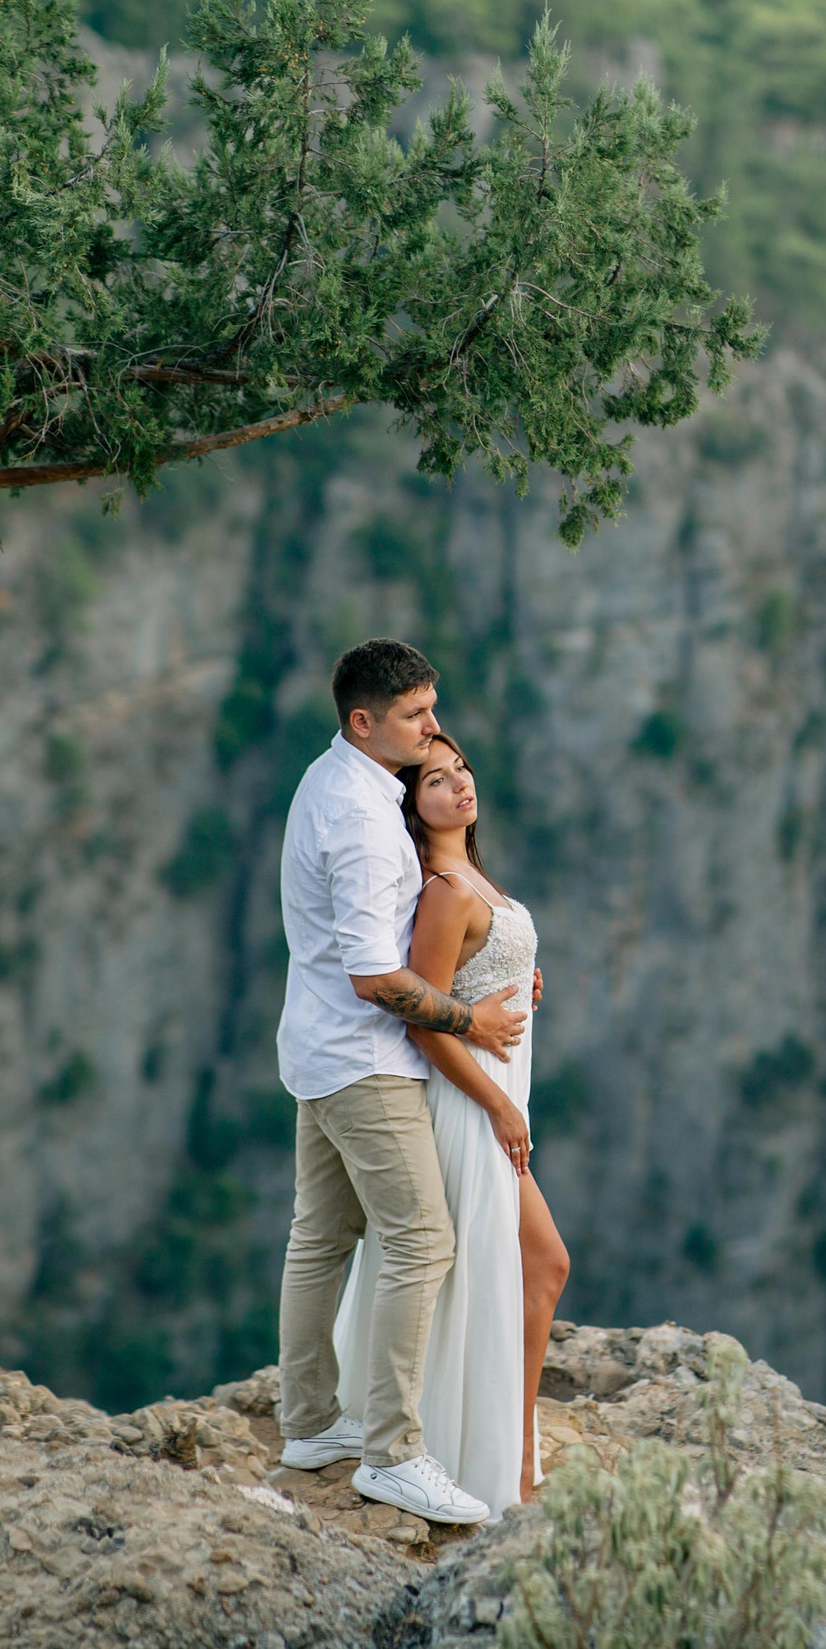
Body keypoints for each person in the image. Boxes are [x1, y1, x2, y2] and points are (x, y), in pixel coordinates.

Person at [271, 639, 529, 1526]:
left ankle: (309, 1425)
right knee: (423, 1240)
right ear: (363, 720)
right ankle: (395, 1453)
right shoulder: (364, 818)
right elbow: (377, 979)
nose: (432, 728)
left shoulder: (331, 782)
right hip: (362, 1058)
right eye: (416, 715)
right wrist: (473, 1020)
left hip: (314, 1048)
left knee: (322, 1236)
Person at [333, 732, 568, 1515]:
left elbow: (474, 979)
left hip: (498, 1100)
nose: (459, 783)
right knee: (534, 1265)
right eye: (435, 779)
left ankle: (510, 1443)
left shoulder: (473, 878)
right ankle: (498, 1454)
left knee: (532, 1268)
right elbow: (425, 1023)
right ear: (412, 802)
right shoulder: (444, 889)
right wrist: (500, 1105)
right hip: (472, 1109)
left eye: (462, 766)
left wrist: (518, 980)